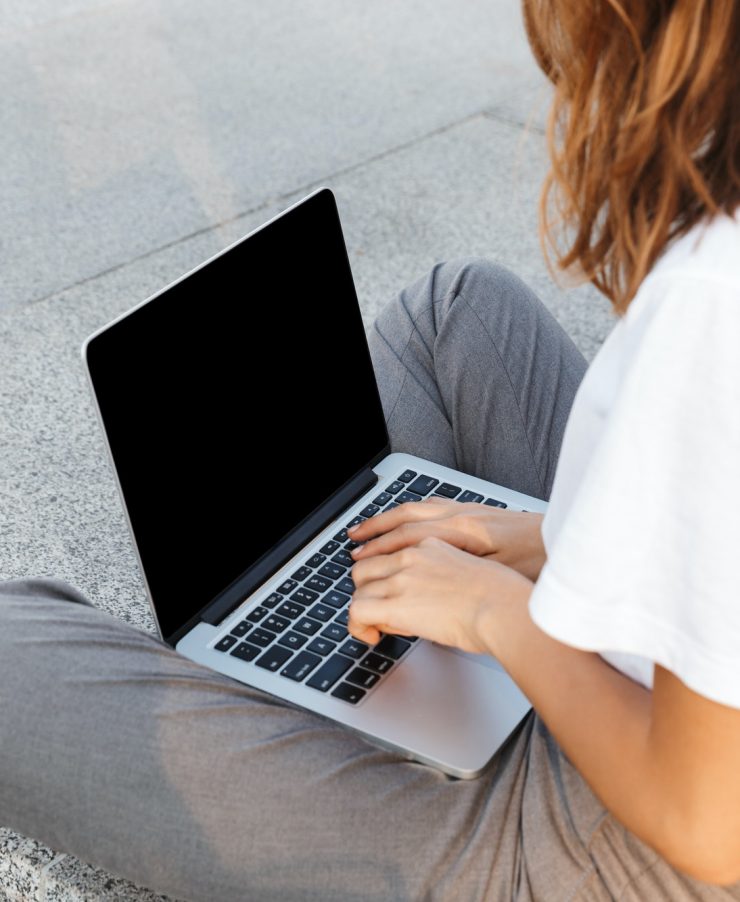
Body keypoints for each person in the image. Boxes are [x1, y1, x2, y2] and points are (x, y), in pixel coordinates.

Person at [1, 0, 738, 898]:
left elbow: (711, 824)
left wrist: (498, 614)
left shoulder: (714, 305)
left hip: (595, 842)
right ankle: (310, 633)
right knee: (460, 309)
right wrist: (553, 539)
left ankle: (291, 690)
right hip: (662, 692)